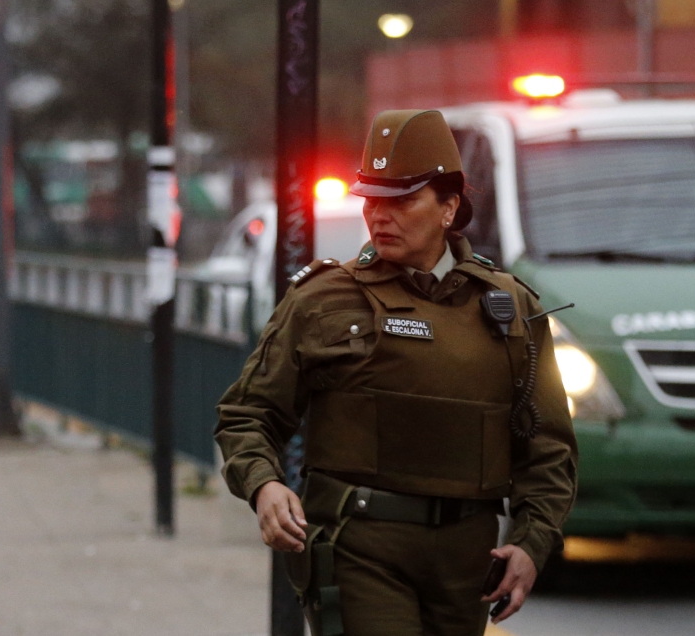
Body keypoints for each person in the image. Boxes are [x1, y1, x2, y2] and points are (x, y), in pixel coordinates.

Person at [214, 109, 577, 636]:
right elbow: (247, 413)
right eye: (372, 200)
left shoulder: (510, 309)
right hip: (360, 549)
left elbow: (549, 447)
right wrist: (264, 486)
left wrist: (531, 542)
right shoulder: (322, 300)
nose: (380, 216)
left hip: (466, 564)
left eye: (402, 200)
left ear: (448, 208)